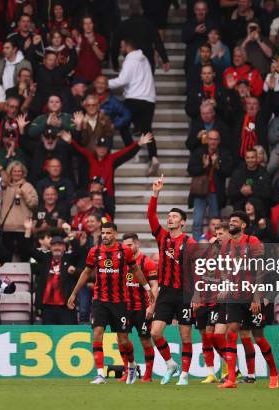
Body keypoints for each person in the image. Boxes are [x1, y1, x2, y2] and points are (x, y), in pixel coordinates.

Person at [66, 222, 152, 385]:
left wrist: (147, 287)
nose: (105, 236)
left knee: (123, 340)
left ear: (115, 234)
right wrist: (74, 293)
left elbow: (136, 270)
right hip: (100, 300)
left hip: (120, 302)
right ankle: (100, 374)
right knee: (97, 333)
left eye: (108, 233)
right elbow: (86, 273)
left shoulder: (124, 251)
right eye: (103, 233)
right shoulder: (94, 251)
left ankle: (132, 366)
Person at [217, 211, 279, 389]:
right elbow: (224, 269)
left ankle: (273, 373)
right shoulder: (226, 245)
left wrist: (257, 297)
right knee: (231, 332)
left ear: (243, 225)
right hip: (235, 297)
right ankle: (231, 379)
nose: (231, 223)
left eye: (235, 221)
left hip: (252, 296)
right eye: (230, 221)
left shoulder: (252, 241)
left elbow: (260, 271)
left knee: (258, 337)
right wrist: (226, 283)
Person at [148, 175, 196, 385]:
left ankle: (184, 375)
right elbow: (151, 217)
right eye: (168, 216)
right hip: (166, 292)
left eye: (174, 216)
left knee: (186, 336)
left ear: (182, 222)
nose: (170, 218)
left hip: (185, 293)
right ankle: (170, 364)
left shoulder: (190, 241)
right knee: (155, 332)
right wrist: (155, 193)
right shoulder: (162, 237)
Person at [109, 38, 159, 176]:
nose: (120, 49)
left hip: (134, 98)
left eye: (121, 46)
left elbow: (122, 80)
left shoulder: (130, 59)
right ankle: (153, 157)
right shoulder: (144, 59)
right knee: (146, 130)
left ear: (126, 45)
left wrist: (103, 83)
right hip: (149, 99)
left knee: (122, 123)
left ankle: (132, 153)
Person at [120, 232, 159, 382]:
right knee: (122, 340)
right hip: (124, 307)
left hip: (142, 308)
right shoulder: (121, 262)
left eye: (129, 245)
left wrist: (151, 306)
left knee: (145, 340)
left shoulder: (147, 262)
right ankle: (127, 370)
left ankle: (148, 374)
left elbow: (155, 285)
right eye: (124, 246)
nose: (127, 248)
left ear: (137, 244)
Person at [23, 220, 78, 325]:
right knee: (49, 335)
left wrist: (69, 234)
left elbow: (80, 252)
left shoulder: (69, 258)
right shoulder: (45, 258)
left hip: (66, 307)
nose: (57, 247)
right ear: (50, 247)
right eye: (54, 245)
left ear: (64, 248)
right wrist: (28, 230)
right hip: (47, 307)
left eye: (60, 245)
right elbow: (27, 249)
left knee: (66, 335)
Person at [187, 129, 233, 238]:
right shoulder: (199, 152)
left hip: (216, 192)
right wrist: (204, 166)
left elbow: (228, 171)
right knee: (197, 223)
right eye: (211, 139)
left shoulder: (224, 153)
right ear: (206, 140)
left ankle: (215, 247)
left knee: (216, 224)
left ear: (219, 141)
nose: (213, 142)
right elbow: (191, 170)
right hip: (200, 191)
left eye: (215, 139)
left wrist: (217, 165)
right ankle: (198, 248)